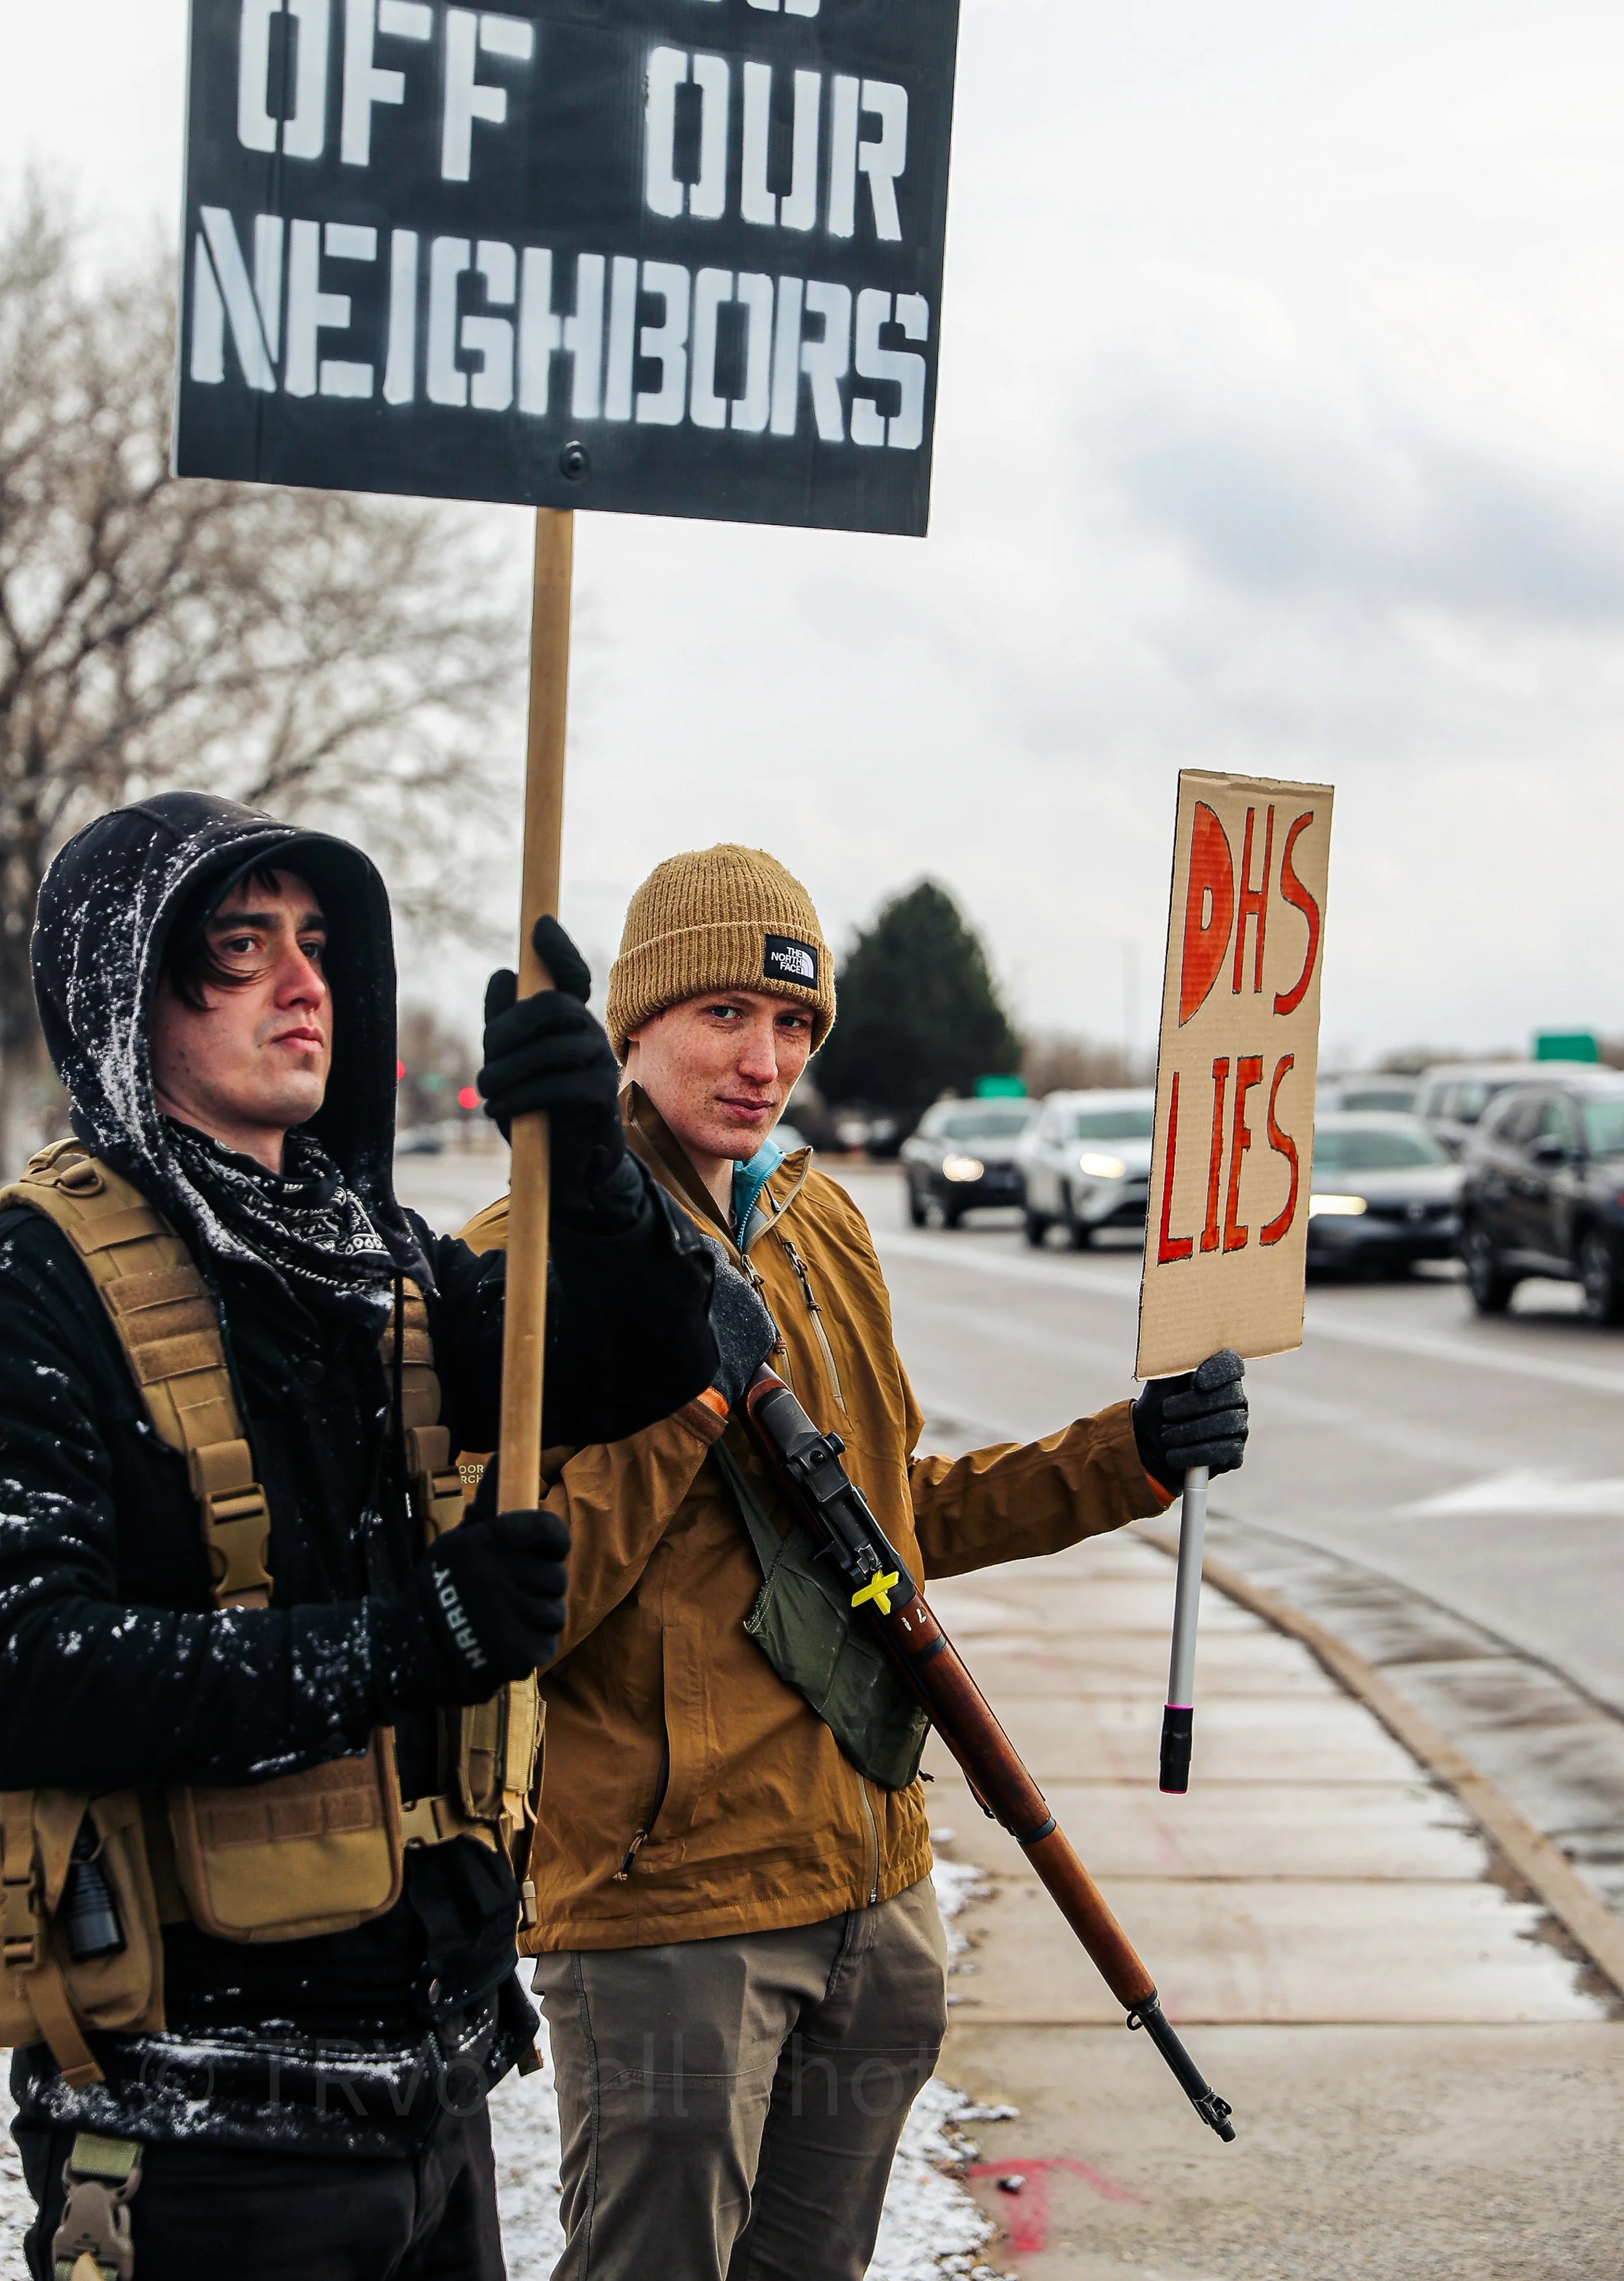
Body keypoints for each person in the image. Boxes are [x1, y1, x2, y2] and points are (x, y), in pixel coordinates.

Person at [465, 844, 1250, 2281]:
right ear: (630, 1027)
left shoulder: (815, 1225)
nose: (764, 1060)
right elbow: (527, 1603)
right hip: (675, 1914)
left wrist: (1125, 1455)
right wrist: (689, 1391)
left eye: (793, 1027)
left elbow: (889, 1518)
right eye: (721, 1016)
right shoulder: (521, 1262)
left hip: (871, 1881)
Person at [0, 793, 757, 2279]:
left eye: (319, 947)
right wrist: (411, 1640)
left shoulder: (376, 1264)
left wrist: (591, 1168)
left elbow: (669, 1350)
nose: (304, 986)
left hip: (431, 2102)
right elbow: (28, 1664)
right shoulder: (40, 1280)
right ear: (122, 995)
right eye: (239, 948)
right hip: (198, 2141)